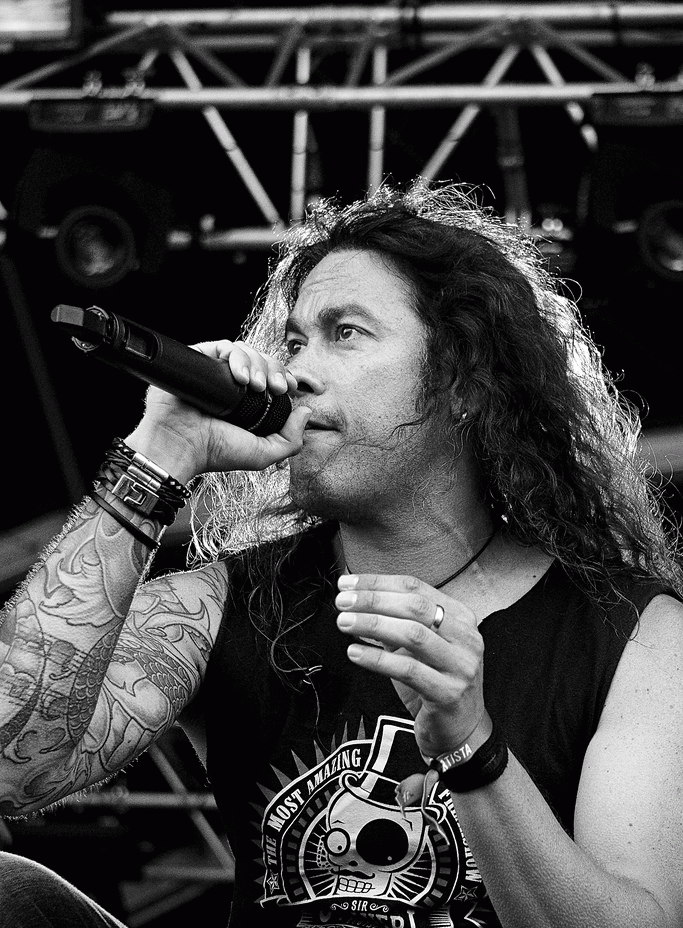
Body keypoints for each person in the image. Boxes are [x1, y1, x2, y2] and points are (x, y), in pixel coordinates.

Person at [1, 179, 682, 928]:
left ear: (463, 379)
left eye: (345, 332)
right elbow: (9, 765)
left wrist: (472, 750)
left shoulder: (631, 634)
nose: (298, 370)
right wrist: (158, 452)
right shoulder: (222, 603)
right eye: (293, 342)